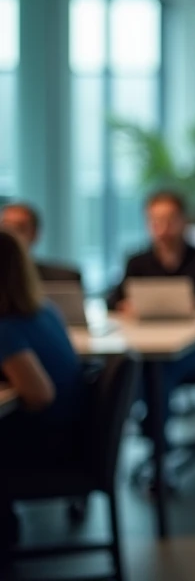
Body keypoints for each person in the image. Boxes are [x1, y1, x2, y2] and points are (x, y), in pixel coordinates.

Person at [0, 228, 87, 550]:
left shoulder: (7, 329)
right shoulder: (45, 310)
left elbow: (39, 395)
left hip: (50, 446)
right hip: (76, 434)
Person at [107, 190, 195, 422]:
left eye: (170, 219)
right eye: (155, 220)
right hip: (148, 342)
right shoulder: (137, 261)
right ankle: (149, 436)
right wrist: (126, 305)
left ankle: (157, 440)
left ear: (183, 220)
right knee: (131, 368)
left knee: (159, 370)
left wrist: (190, 305)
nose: (162, 227)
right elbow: (112, 300)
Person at [1, 202, 83, 283]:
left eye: (20, 228)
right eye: (5, 228)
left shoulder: (65, 279)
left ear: (35, 234)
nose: (12, 235)